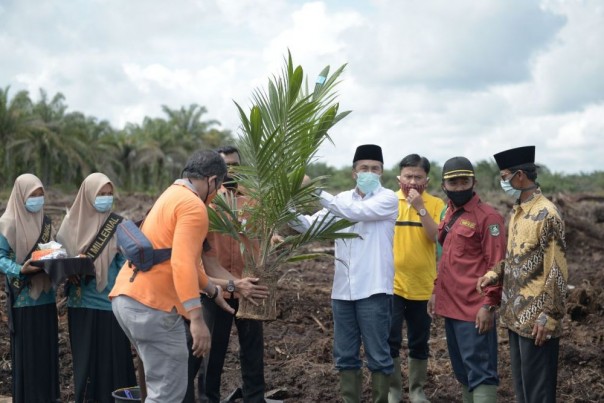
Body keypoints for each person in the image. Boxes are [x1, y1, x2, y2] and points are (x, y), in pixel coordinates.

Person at [110, 150, 233, 403]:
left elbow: (174, 256)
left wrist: (212, 290)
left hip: (127, 299)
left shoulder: (170, 195)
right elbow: (182, 262)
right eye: (219, 184)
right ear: (212, 180)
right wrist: (197, 319)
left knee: (157, 390)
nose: (218, 191)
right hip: (154, 307)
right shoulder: (194, 206)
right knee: (167, 396)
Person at [291, 144, 398, 403]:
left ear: (382, 172)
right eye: (364, 168)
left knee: (378, 356)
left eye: (375, 169)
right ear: (354, 172)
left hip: (374, 290)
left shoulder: (387, 199)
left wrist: (313, 188)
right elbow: (307, 226)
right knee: (345, 355)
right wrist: (286, 203)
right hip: (342, 292)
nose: (369, 173)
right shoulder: (341, 201)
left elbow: (353, 213)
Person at [478, 146, 568, 403]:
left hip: (537, 319)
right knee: (523, 391)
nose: (502, 181)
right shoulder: (518, 212)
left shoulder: (547, 215)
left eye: (504, 176)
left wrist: (549, 316)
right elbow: (515, 258)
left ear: (520, 176)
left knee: (538, 394)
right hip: (515, 315)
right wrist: (494, 275)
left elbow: (557, 270)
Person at [192, 145, 269, 403]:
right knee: (211, 353)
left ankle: (255, 399)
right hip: (215, 288)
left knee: (253, 352)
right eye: (226, 165)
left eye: (236, 164)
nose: (231, 170)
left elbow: (266, 233)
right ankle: (207, 399)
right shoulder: (209, 202)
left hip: (250, 285)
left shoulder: (255, 200)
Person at [427, 157, 506, 403]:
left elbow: (497, 264)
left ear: (474, 182)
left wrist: (488, 305)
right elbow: (450, 260)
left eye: (465, 181)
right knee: (463, 371)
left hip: (473, 308)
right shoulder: (450, 213)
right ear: (443, 185)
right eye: (453, 182)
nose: (459, 187)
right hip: (450, 306)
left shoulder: (488, 217)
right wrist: (435, 291)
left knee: (481, 372)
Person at [56, 172, 136, 402]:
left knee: (113, 360)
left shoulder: (119, 225)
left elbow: (128, 265)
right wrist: (71, 267)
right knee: (86, 361)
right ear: (88, 195)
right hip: (81, 304)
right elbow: (58, 258)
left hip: (110, 305)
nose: (106, 198)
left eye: (110, 194)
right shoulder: (69, 225)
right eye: (101, 194)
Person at [388, 154, 445, 403]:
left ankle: (417, 390)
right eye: (408, 176)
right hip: (390, 285)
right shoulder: (388, 201)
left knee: (419, 341)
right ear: (399, 178)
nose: (412, 181)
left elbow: (436, 239)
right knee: (390, 338)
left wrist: (420, 206)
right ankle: (393, 390)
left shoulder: (435, 204)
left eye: (418, 177)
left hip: (423, 285)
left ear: (427, 180)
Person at [0, 173, 60, 403]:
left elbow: (53, 248)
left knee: (46, 354)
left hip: (46, 298)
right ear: (20, 196)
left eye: (40, 195)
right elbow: (1, 257)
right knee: (29, 355)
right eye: (32, 195)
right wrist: (18, 270)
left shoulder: (46, 222)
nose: (37, 199)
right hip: (23, 299)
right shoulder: (7, 223)